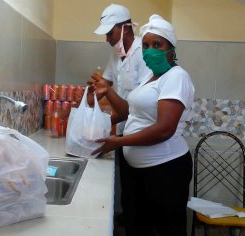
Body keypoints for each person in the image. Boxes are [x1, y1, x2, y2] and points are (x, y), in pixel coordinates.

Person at [91, 14, 195, 236]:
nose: (149, 50)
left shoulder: (176, 76)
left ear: (171, 49)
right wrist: (106, 99)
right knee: (137, 227)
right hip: (139, 172)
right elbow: (130, 112)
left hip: (166, 169)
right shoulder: (151, 79)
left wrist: (119, 142)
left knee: (168, 230)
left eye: (157, 44)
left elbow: (165, 129)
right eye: (146, 45)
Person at [88, 4, 152, 234]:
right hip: (125, 135)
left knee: (142, 203)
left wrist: (107, 93)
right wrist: (94, 95)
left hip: (145, 138)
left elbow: (132, 106)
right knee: (129, 197)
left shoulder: (144, 54)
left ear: (126, 28)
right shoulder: (116, 55)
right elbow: (105, 86)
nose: (107, 39)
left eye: (110, 33)